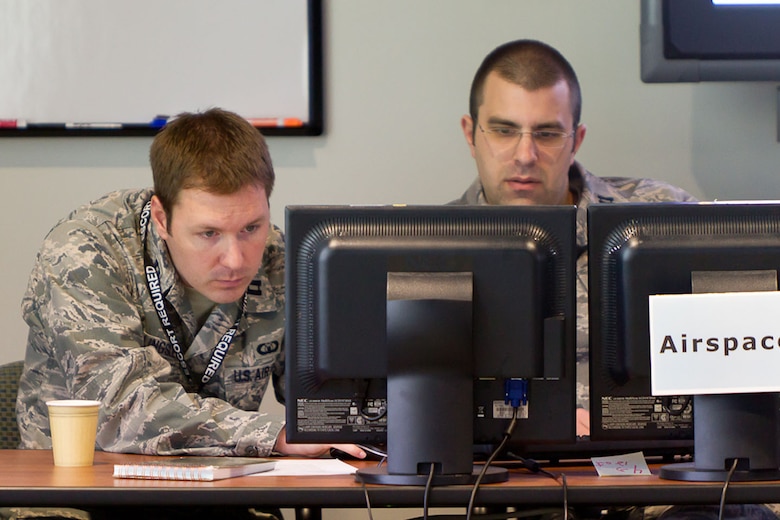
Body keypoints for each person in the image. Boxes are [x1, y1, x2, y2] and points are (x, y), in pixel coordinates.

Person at [451, 39, 780, 520]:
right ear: (470, 133)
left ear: (576, 139)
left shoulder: (659, 220)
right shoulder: (422, 249)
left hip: (662, 492)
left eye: (546, 134)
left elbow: (747, 362)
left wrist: (611, 429)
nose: (524, 155)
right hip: (509, 494)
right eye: (504, 131)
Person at [16, 108, 365, 463]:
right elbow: (118, 410)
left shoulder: (282, 259)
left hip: (226, 489)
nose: (236, 259)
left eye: (251, 228)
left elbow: (333, 398)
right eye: (209, 233)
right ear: (162, 219)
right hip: (84, 489)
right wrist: (271, 434)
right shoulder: (85, 254)